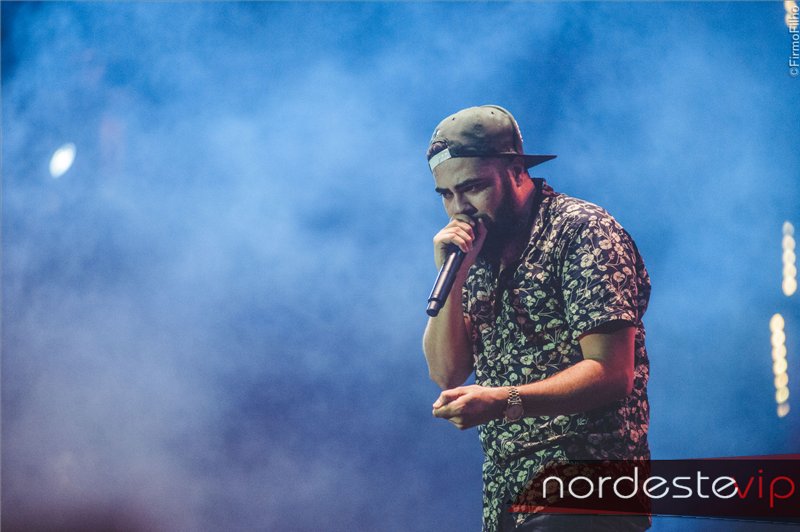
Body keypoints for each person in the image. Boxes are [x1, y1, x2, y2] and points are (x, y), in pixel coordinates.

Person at [422, 105, 651, 531]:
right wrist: (453, 278)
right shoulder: (477, 252)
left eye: (473, 188)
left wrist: (503, 400)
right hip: (509, 496)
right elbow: (446, 372)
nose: (460, 209)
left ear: (516, 171)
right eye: (446, 195)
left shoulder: (581, 230)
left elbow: (611, 371)